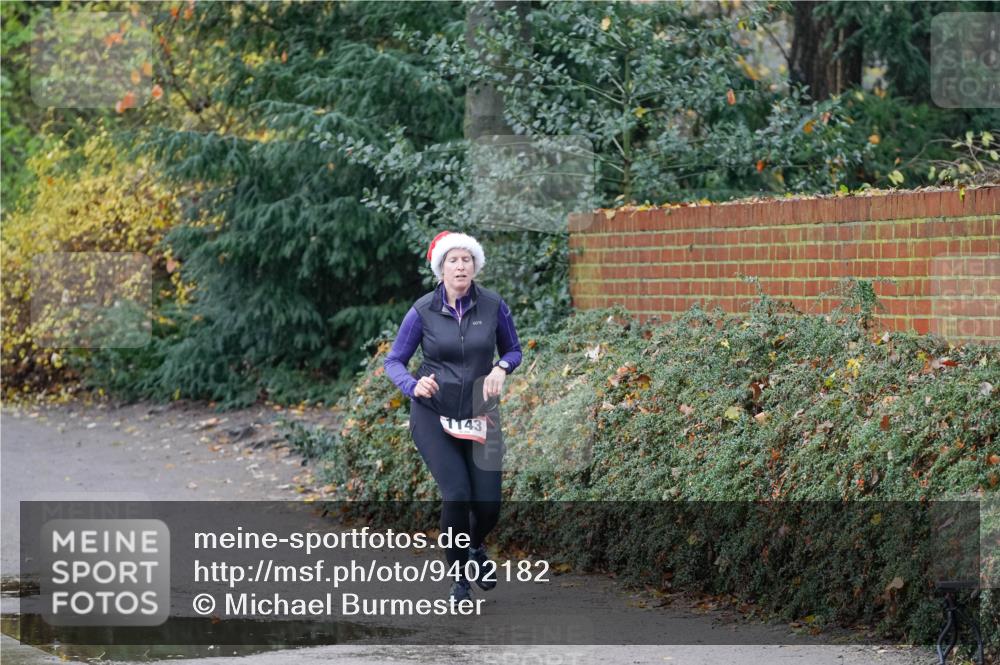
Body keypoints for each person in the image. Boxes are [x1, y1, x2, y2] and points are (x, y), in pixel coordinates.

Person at [384, 231, 522, 602]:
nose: (461, 266)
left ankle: (474, 548)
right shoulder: (422, 310)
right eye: (453, 260)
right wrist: (413, 386)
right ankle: (459, 577)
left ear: (475, 266)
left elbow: (513, 350)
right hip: (433, 415)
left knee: (489, 506)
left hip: (481, 415)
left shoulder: (493, 306)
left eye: (466, 260)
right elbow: (394, 360)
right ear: (440, 269)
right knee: (458, 495)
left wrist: (501, 369)